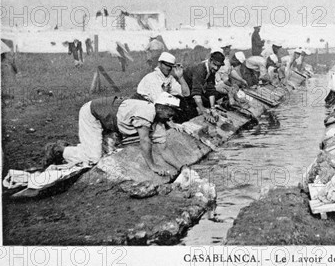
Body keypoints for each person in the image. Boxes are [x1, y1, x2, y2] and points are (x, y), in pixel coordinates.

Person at [44, 93, 184, 177]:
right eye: (170, 113)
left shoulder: (159, 121)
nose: (170, 118)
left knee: (108, 156)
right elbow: (145, 141)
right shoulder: (147, 112)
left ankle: (81, 148)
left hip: (110, 121)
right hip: (93, 114)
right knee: (94, 159)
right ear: (161, 107)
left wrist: (182, 168)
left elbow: (164, 149)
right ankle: (59, 150)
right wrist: (153, 166)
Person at [183, 50, 226, 122]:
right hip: (183, 91)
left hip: (192, 89)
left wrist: (213, 108)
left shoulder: (211, 70)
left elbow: (211, 89)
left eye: (218, 66)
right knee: (192, 112)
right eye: (214, 64)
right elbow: (196, 93)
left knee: (209, 103)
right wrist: (204, 112)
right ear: (210, 60)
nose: (216, 68)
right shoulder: (200, 69)